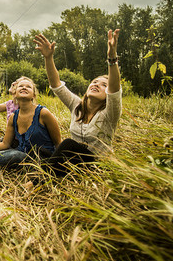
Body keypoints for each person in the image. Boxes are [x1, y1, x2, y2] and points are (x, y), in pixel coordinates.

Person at [34, 29, 122, 176]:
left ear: (107, 92)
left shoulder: (110, 113)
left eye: (103, 85)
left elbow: (114, 90)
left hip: (96, 165)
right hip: (74, 162)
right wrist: (48, 58)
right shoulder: (77, 106)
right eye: (94, 82)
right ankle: (54, 172)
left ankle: (37, 180)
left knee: (67, 144)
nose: (96, 85)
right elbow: (56, 85)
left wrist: (112, 58)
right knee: (41, 149)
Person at [0, 77, 62, 169]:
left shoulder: (43, 113)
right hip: (20, 154)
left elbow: (58, 143)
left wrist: (57, 167)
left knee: (15, 155)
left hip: (40, 160)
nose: (24, 88)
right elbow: (5, 144)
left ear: (33, 95)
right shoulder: (14, 116)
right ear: (15, 93)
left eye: (28, 87)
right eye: (20, 86)